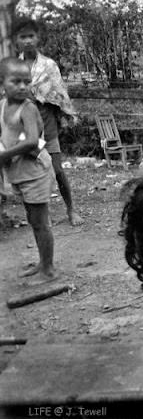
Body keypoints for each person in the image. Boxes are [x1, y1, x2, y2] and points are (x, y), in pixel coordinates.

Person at [12, 17, 83, 226]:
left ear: (38, 38)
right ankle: (39, 216)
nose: (27, 41)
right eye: (23, 37)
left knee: (57, 170)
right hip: (23, 129)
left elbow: (60, 95)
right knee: (28, 172)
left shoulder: (48, 65)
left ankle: (71, 210)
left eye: (31, 36)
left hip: (46, 126)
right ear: (17, 40)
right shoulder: (14, 67)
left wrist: (41, 98)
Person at [0, 57, 57, 281]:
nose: (23, 86)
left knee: (41, 221)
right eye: (16, 81)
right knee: (33, 219)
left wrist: (4, 155)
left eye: (27, 81)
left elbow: (32, 140)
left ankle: (49, 269)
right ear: (2, 82)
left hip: (35, 172)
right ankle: (43, 261)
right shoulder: (3, 106)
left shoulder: (28, 108)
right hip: (20, 172)